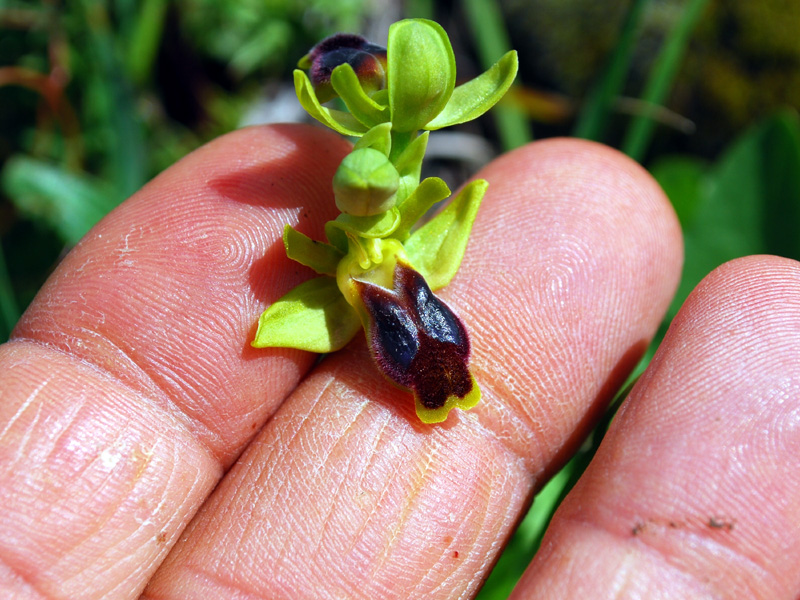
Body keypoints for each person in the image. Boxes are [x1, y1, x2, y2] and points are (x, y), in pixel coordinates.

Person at [0, 124, 798, 599]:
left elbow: (452, 223)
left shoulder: (407, 255)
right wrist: (355, 277)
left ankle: (427, 364)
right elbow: (288, 318)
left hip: (417, 322)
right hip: (380, 311)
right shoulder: (328, 291)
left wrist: (383, 266)